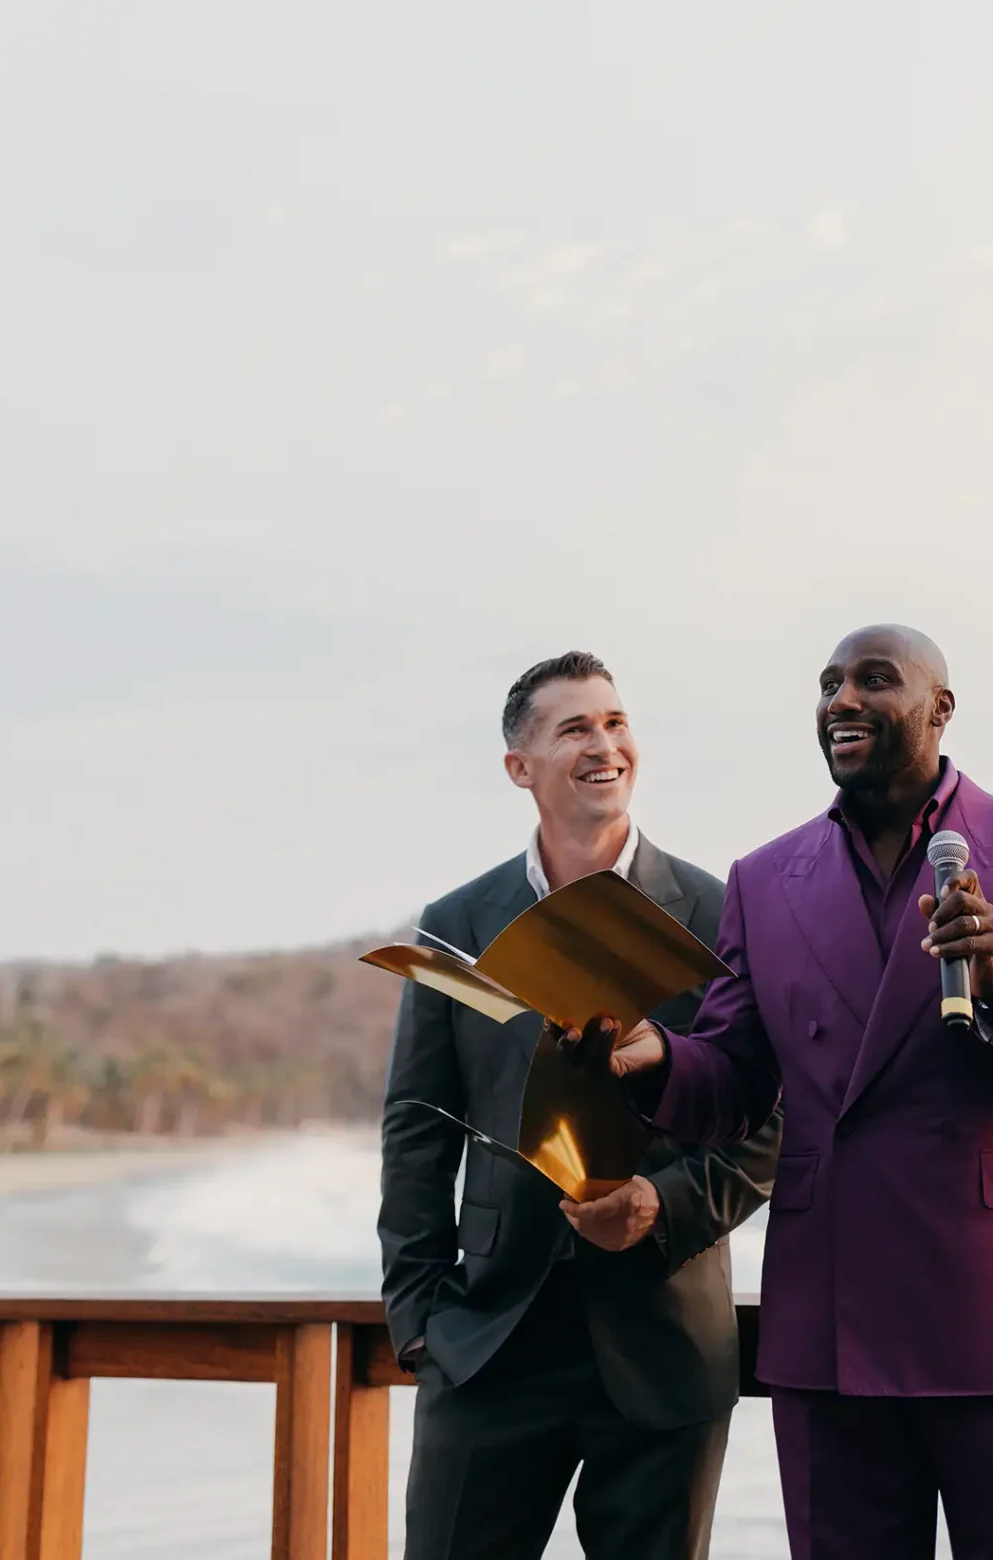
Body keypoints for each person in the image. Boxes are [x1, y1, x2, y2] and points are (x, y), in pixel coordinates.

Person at [586, 623, 993, 1560]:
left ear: (940, 709)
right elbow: (733, 1083)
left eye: (873, 680)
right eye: (826, 685)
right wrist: (652, 1057)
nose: (840, 701)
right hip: (829, 1329)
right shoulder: (764, 881)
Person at [380, 649, 781, 1560]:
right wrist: (417, 1318)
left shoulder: (724, 913)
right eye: (574, 729)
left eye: (615, 723)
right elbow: (415, 1126)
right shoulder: (457, 923)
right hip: (486, 1341)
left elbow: (778, 1117)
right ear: (521, 767)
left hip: (666, 1339)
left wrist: (662, 1206)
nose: (605, 745)